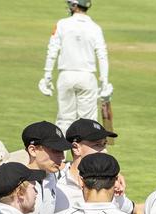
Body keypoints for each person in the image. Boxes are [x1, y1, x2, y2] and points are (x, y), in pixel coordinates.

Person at [39, 0, 113, 135]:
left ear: (74, 6)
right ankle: (85, 156)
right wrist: (105, 81)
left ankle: (60, 155)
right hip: (87, 76)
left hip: (66, 76)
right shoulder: (95, 27)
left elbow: (52, 50)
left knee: (63, 120)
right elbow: (102, 55)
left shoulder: (62, 24)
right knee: (88, 122)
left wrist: (47, 75)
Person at [55, 118, 142, 214]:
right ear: (76, 148)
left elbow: (134, 212)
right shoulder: (55, 182)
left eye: (104, 144)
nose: (104, 151)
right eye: (97, 145)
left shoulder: (111, 183)